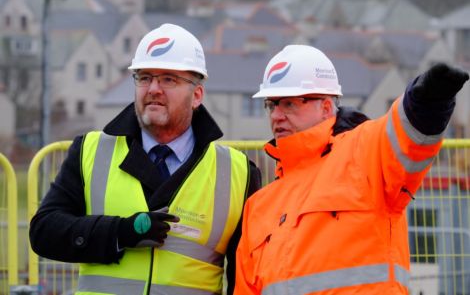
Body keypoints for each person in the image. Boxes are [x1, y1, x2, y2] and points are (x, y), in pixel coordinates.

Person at [29, 23, 261, 295]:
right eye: (144, 77)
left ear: (197, 95)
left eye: (168, 79)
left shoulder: (238, 173)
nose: (153, 88)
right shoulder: (90, 151)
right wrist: (119, 232)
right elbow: (44, 232)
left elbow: (243, 278)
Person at [234, 45, 469, 294]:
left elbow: (403, 134)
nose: (277, 115)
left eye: (289, 104)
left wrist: (426, 103)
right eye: (271, 105)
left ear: (326, 107)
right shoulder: (259, 206)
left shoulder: (364, 154)